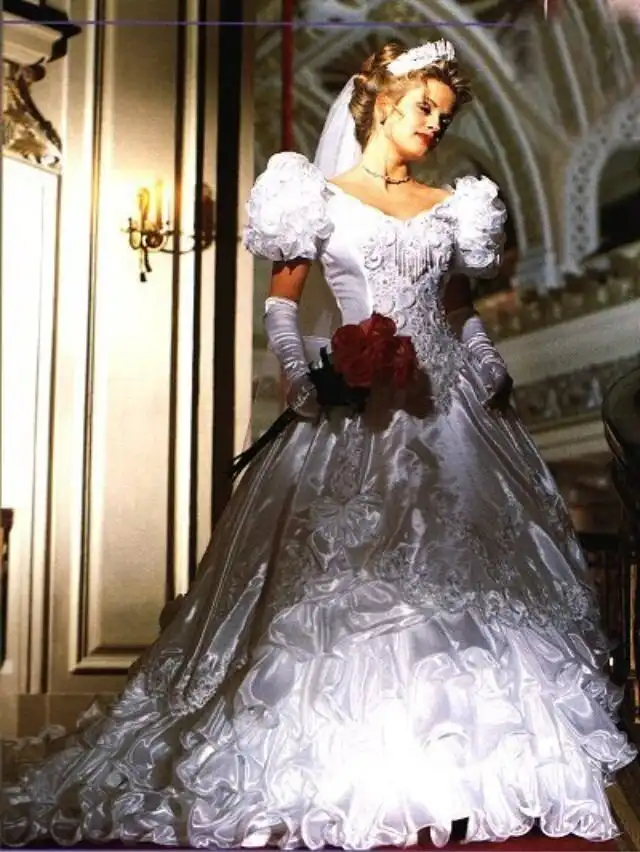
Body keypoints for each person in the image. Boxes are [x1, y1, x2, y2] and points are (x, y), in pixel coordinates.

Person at [1, 38, 636, 851]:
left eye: (444, 116)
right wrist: (304, 378)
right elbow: (281, 305)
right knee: (347, 583)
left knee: (471, 575)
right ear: (380, 103)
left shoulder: (454, 204)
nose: (434, 125)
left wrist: (485, 363)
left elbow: (457, 309)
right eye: (423, 107)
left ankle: (472, 767)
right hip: (356, 410)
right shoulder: (316, 198)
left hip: (451, 410)